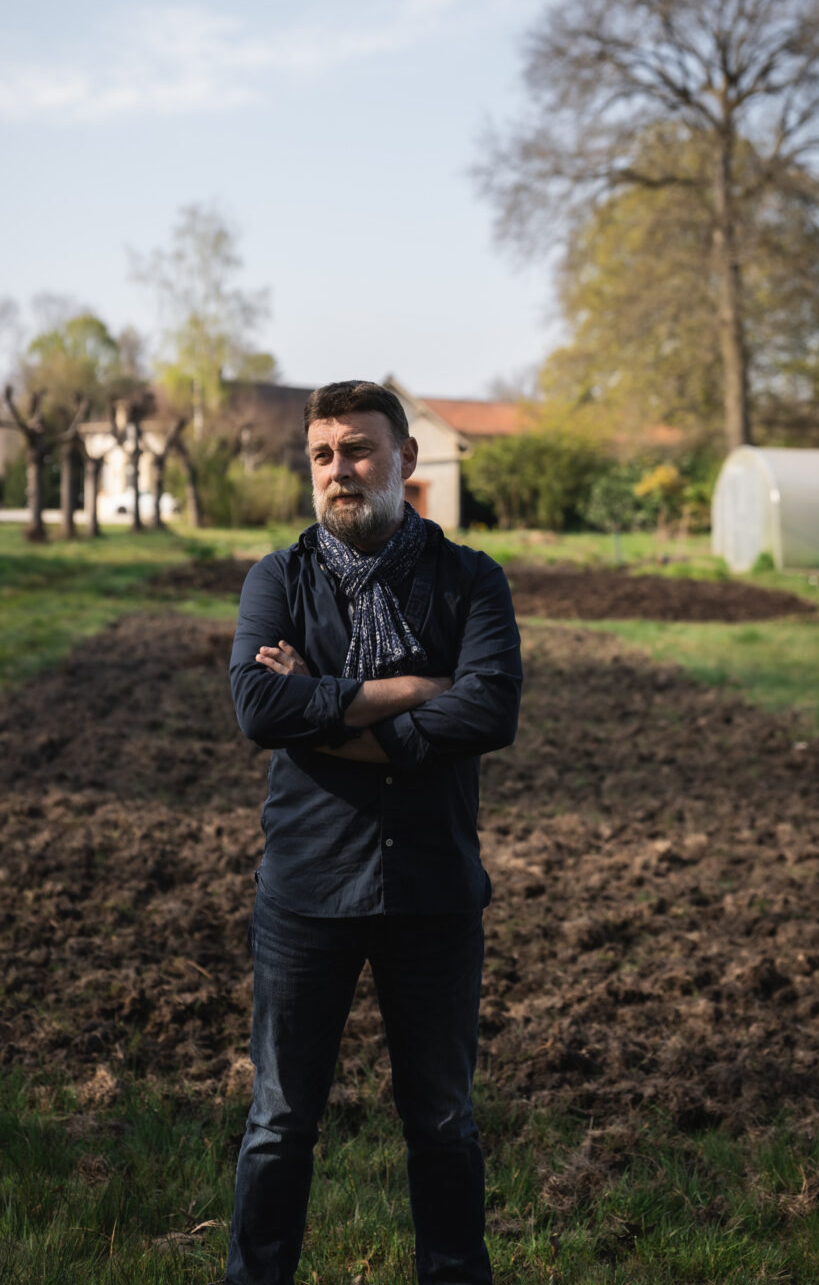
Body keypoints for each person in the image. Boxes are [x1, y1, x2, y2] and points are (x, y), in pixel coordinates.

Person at [226, 379, 522, 1285]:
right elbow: (259, 706)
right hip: (307, 891)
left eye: (357, 449)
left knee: (443, 1121)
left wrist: (325, 713)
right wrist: (417, 692)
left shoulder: (471, 579)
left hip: (433, 888)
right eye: (322, 454)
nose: (339, 471)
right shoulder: (279, 579)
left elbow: (489, 710)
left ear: (405, 457)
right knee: (279, 1122)